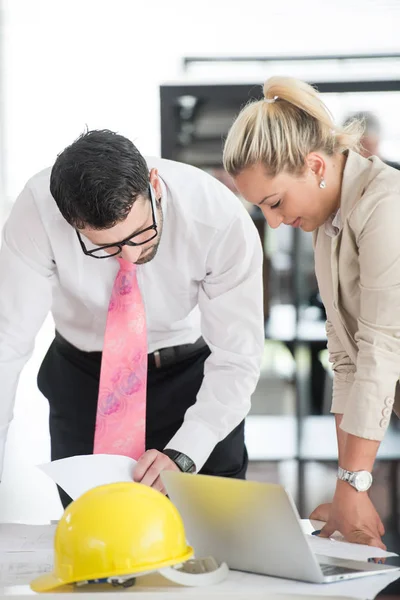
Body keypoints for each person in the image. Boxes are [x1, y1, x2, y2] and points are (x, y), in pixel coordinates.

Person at [0, 129, 264, 508]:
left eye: (141, 233)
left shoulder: (217, 218)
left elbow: (238, 356)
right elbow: (7, 342)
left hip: (191, 375)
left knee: (213, 532)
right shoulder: (38, 213)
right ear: (70, 222)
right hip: (84, 378)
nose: (129, 254)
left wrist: (185, 454)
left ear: (154, 185)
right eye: (105, 246)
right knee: (97, 534)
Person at [222, 76, 400, 550]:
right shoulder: (326, 221)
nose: (275, 222)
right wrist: (348, 486)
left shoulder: (386, 205)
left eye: (276, 203)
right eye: (263, 209)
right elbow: (345, 356)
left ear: (316, 164)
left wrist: (354, 484)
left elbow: (382, 348)